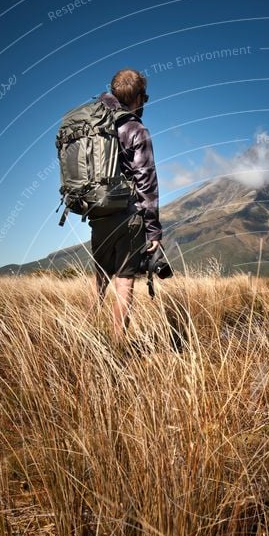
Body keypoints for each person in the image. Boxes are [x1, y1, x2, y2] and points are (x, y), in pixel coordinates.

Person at [88, 68, 162, 339]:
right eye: (145, 97)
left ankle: (85, 336)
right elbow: (146, 182)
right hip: (128, 217)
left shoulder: (96, 125)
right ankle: (117, 346)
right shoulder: (136, 129)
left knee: (99, 279)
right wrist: (153, 230)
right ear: (138, 97)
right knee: (124, 281)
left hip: (99, 214)